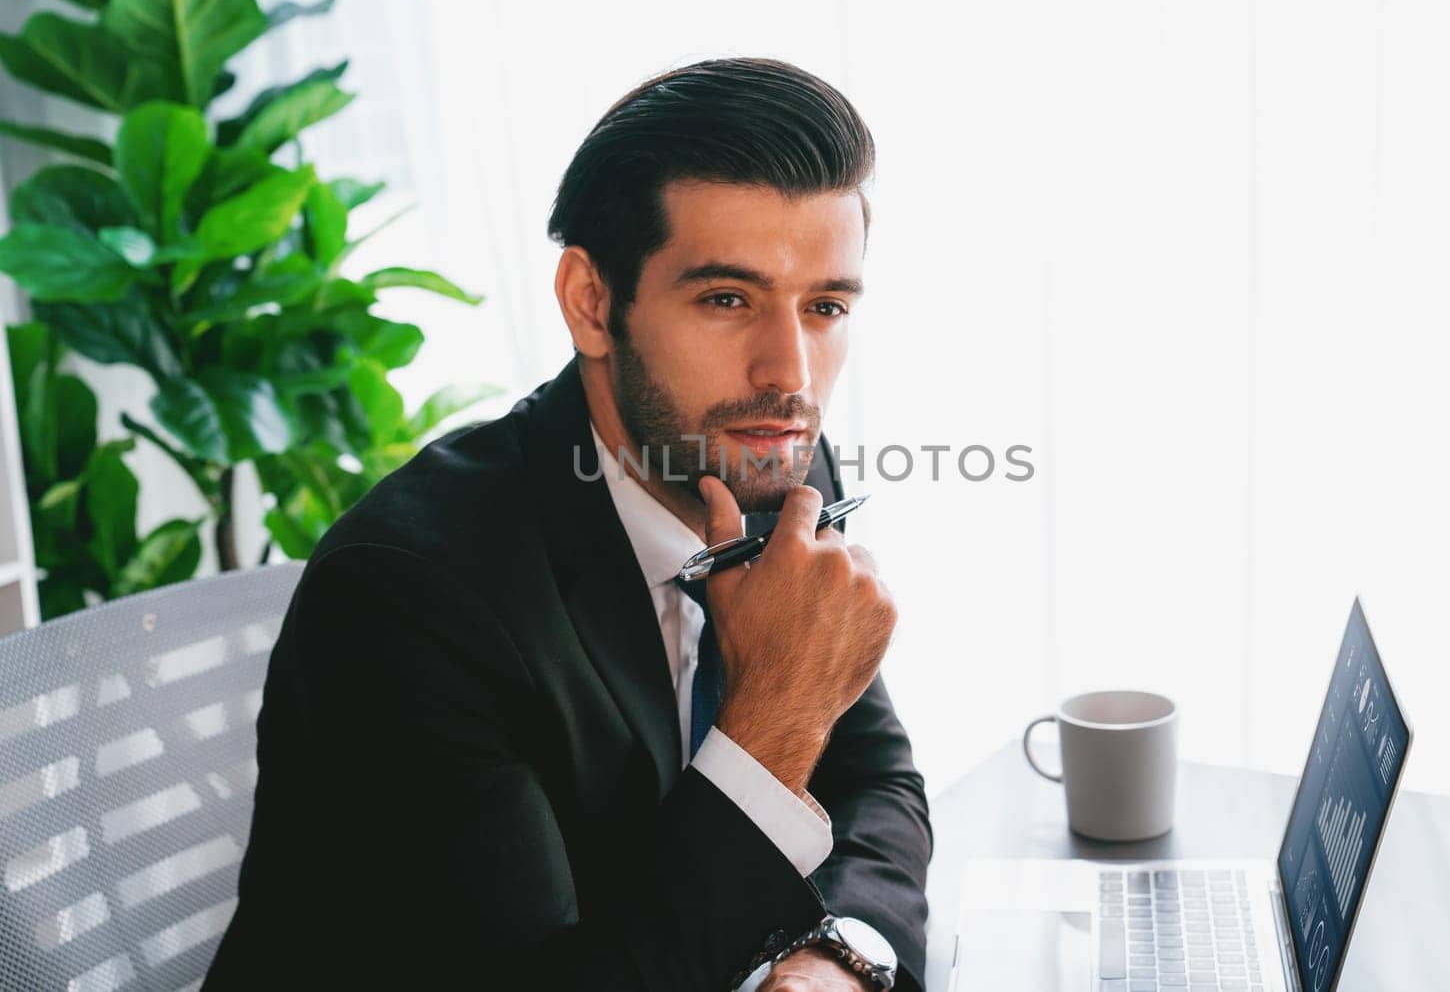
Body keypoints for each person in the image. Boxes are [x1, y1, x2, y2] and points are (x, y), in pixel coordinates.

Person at [203, 57, 932, 991]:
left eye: (825, 306)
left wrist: (842, 955)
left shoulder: (767, 458)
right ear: (592, 302)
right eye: (726, 299)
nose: (788, 372)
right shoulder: (406, 595)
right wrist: (773, 726)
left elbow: (878, 781)